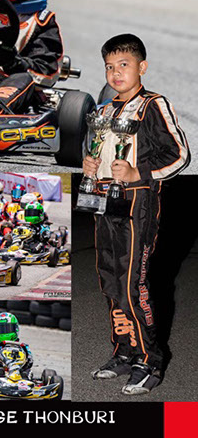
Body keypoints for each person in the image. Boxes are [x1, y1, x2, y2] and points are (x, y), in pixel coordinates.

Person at [83, 34, 190, 395]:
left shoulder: (153, 105)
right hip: (103, 202)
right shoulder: (103, 111)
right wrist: (89, 164)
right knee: (109, 282)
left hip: (136, 205)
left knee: (132, 286)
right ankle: (124, 352)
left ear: (142, 67)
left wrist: (137, 173)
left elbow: (179, 155)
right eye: (109, 67)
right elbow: (97, 151)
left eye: (124, 65)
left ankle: (150, 360)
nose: (116, 73)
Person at [0, 312, 33, 378]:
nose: (5, 333)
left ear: (16, 329)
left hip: (19, 369)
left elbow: (30, 361)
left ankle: (24, 377)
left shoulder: (23, 346)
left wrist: (27, 360)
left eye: (8, 329)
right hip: (0, 369)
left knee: (28, 372)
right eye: (1, 330)